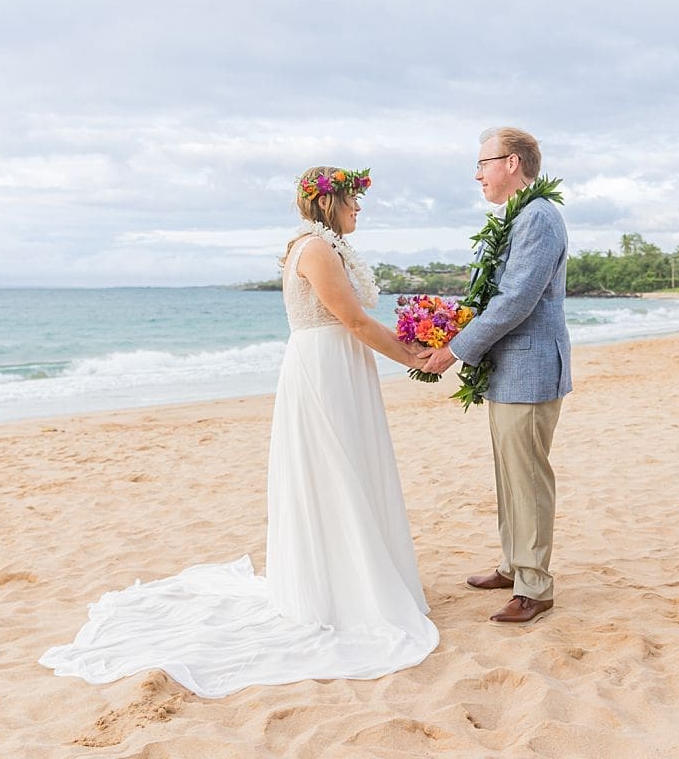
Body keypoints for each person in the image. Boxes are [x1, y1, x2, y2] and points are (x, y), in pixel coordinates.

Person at [40, 166, 439, 697]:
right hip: (325, 369)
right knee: (333, 472)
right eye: (352, 200)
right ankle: (340, 593)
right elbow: (356, 323)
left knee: (350, 469)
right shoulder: (316, 250)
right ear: (328, 204)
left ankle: (354, 578)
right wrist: (416, 358)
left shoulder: (327, 246)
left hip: (339, 366)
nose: (358, 209)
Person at [421, 127, 571, 625]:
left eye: (483, 162)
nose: (478, 173)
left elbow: (516, 300)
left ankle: (535, 586)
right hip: (508, 368)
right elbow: (491, 297)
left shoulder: (539, 217)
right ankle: (513, 565)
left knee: (527, 476)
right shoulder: (517, 216)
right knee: (509, 473)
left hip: (529, 368)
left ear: (512, 163)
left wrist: (456, 350)